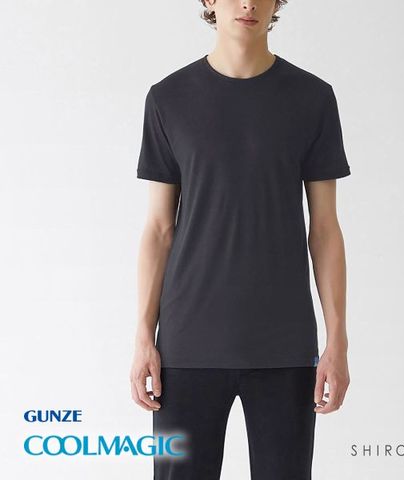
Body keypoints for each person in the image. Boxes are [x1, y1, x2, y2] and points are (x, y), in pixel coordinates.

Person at [130, 1, 351, 478]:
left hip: (285, 348)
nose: (248, 3)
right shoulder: (168, 99)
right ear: (209, 1)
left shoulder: (312, 98)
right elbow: (159, 229)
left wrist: (338, 340)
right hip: (186, 348)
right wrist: (144, 337)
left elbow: (325, 229)